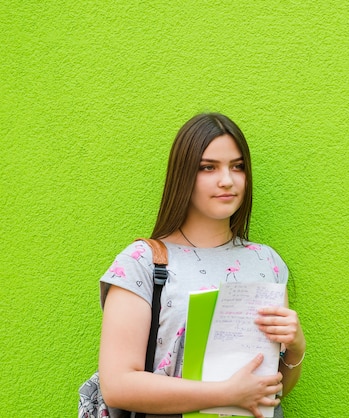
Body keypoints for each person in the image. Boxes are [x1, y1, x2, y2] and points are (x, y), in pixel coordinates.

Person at [98, 113, 306, 418]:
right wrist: (225, 393)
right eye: (208, 167)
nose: (227, 180)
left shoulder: (267, 262)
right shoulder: (140, 262)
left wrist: (297, 348)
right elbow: (117, 385)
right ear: (182, 174)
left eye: (238, 167)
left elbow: (269, 392)